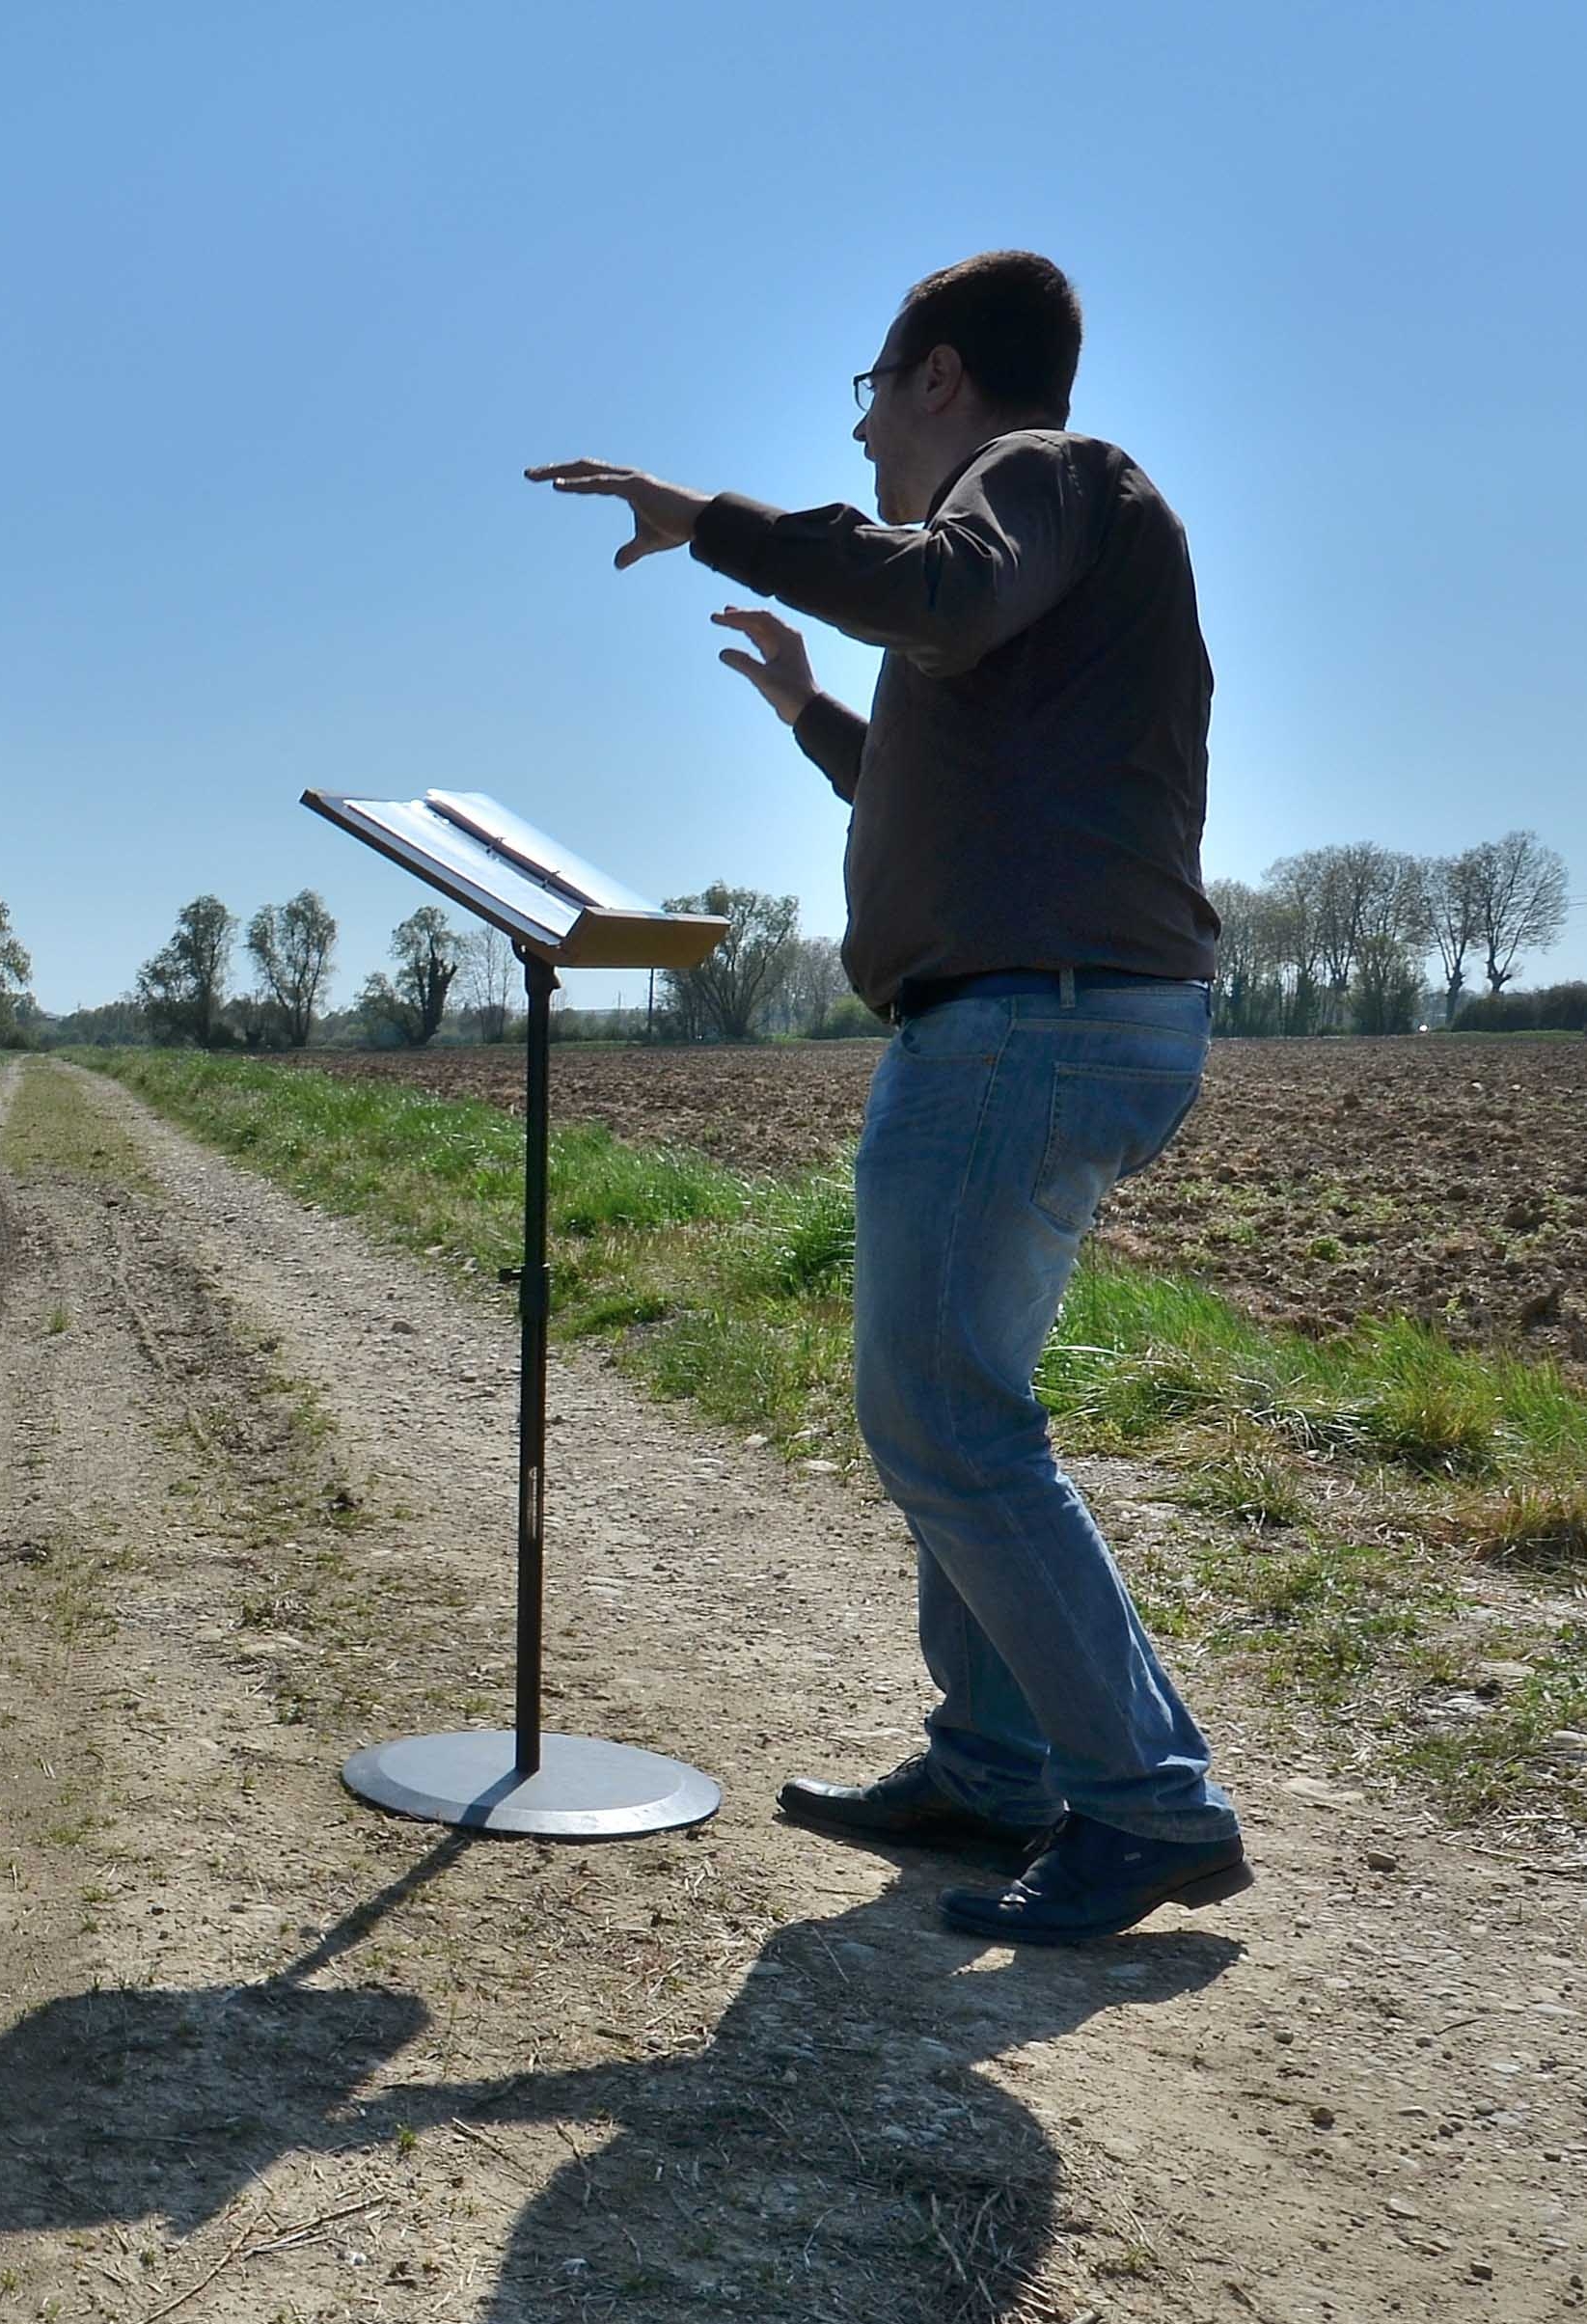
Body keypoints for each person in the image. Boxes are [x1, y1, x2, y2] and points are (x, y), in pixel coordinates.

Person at [532, 250, 1247, 1945]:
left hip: (1026, 1028)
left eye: (863, 394)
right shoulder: (1030, 570)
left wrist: (704, 511)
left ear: (934, 376)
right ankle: (993, 1769)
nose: (854, 435)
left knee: (939, 1419)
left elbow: (927, 596)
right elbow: (961, 811)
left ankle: (1145, 1806)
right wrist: (807, 719)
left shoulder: (1038, 481)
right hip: (1043, 1009)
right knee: (959, 1410)